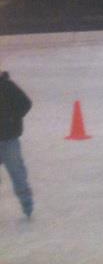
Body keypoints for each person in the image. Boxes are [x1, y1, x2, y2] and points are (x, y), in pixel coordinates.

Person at [0, 66, 33, 219]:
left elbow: (25, 103)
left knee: (17, 173)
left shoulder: (8, 86)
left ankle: (27, 204)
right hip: (8, 139)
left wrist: (12, 119)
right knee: (17, 172)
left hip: (9, 140)